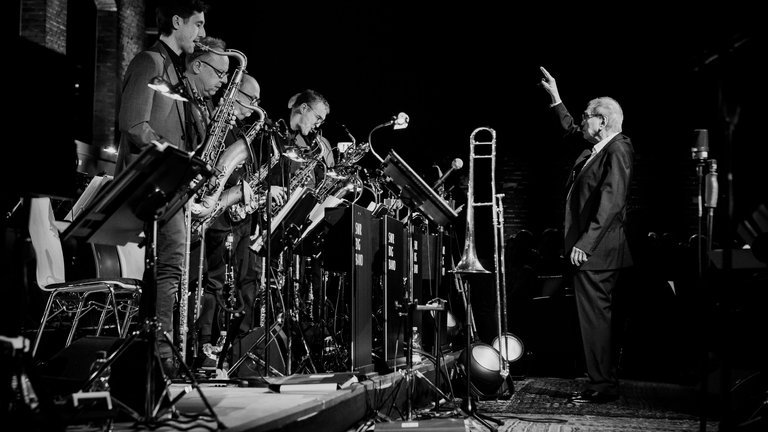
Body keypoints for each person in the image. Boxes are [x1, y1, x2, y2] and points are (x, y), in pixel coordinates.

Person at [115, 0, 208, 377]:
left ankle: (160, 356)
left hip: (170, 184)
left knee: (173, 268)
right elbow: (134, 124)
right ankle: (159, 359)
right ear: (176, 22)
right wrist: (174, 159)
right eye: (198, 24)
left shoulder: (175, 71)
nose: (201, 34)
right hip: (153, 184)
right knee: (168, 268)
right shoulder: (150, 62)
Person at [539, 66, 634, 403]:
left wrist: (585, 243)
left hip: (598, 252)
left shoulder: (617, 149)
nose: (581, 122)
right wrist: (556, 98)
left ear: (602, 122)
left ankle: (602, 385)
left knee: (595, 321)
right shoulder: (598, 148)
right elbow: (570, 131)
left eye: (586, 117)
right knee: (594, 320)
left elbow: (611, 202)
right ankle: (601, 381)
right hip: (595, 251)